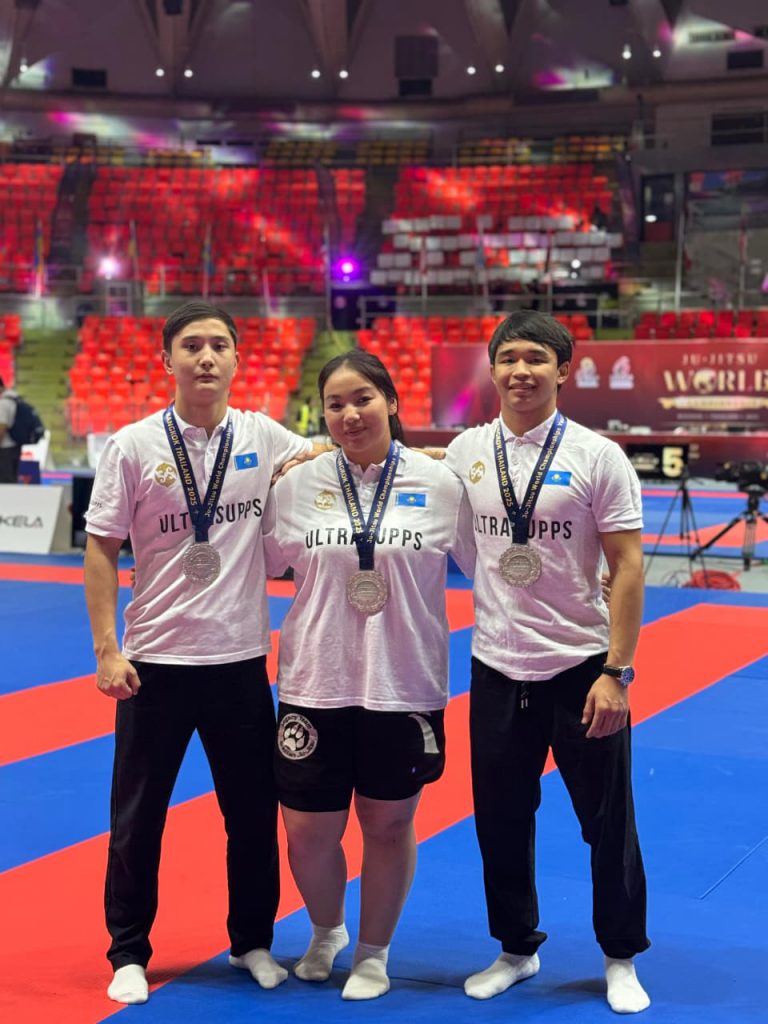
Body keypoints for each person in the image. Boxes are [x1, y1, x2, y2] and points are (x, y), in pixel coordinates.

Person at [83, 301, 314, 1006]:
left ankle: (251, 941)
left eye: (219, 345)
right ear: (168, 361)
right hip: (153, 662)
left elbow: (339, 453)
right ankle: (128, 952)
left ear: (239, 359)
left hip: (239, 661)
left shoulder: (264, 435)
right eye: (191, 346)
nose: (206, 357)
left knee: (252, 814)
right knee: (138, 818)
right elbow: (101, 547)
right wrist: (107, 650)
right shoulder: (132, 446)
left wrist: (435, 458)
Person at [444, 310, 650, 1014]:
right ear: (493, 369)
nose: (520, 371)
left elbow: (628, 566)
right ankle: (516, 948)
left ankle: (620, 955)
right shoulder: (466, 451)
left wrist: (617, 671)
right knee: (500, 817)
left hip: (581, 667)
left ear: (563, 370)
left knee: (607, 822)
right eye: (508, 358)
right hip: (497, 666)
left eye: (535, 358)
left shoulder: (598, 456)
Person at [262, 349, 474, 1001]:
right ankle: (327, 931)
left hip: (403, 683)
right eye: (335, 404)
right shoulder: (296, 486)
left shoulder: (441, 484)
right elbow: (252, 560)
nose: (350, 413)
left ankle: (374, 954)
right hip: (313, 681)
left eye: (363, 399)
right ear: (321, 414)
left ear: (391, 402)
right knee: (307, 832)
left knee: (386, 825)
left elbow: (494, 564)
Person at [0, 376, 21, 483]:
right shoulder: (15, 399)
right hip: (15, 445)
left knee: (5, 481)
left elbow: (2, 427)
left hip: (5, 448)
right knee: (12, 479)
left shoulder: (3, 403)